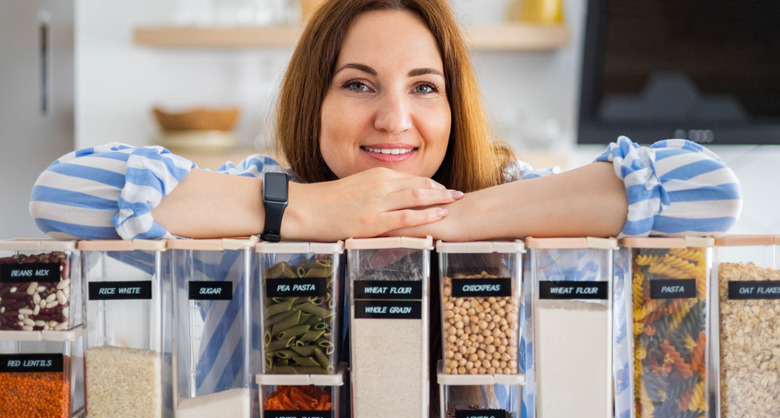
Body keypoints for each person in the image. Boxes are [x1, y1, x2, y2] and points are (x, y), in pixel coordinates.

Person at [29, 0, 742, 243]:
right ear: (314, 101)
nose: (394, 118)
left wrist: (453, 218)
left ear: (453, 107)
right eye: (358, 83)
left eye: (424, 87)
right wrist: (307, 210)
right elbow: (61, 193)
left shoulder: (508, 190)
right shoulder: (267, 193)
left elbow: (708, 189)